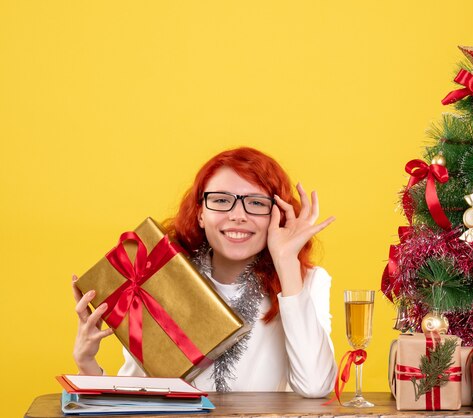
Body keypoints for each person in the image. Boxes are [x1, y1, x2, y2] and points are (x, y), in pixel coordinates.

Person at [71, 147, 337, 397]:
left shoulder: (306, 282)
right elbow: (138, 392)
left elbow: (316, 386)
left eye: (256, 203)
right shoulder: (158, 277)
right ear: (200, 214)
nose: (238, 215)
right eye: (221, 200)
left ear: (277, 216)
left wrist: (286, 261)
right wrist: (87, 363)